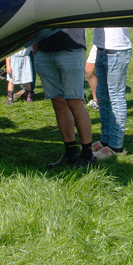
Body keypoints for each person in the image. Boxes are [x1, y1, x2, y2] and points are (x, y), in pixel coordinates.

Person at [32, 27, 94, 168]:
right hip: (44, 50)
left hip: (71, 48)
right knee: (58, 102)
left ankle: (88, 155)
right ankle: (71, 153)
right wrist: (36, 49)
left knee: (74, 101)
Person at [91, 26, 131, 159]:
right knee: (102, 97)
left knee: (116, 98)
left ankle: (116, 146)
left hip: (117, 49)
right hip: (100, 48)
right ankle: (105, 140)